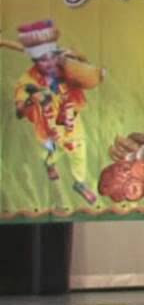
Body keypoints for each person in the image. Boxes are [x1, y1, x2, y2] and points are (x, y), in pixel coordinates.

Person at [6, 20, 104, 204]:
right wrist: (32, 99)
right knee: (52, 152)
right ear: (35, 61)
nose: (49, 63)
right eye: (43, 59)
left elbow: (88, 75)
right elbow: (19, 111)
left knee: (79, 151)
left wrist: (79, 59)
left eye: (52, 57)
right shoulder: (28, 79)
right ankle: (49, 164)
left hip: (72, 121)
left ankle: (79, 183)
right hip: (48, 126)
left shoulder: (67, 69)